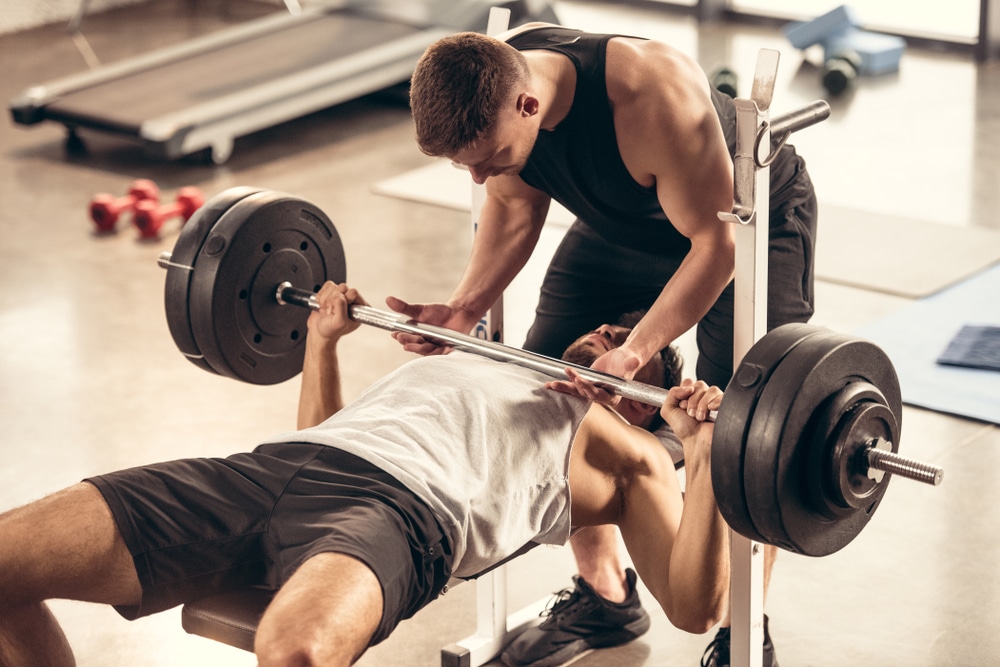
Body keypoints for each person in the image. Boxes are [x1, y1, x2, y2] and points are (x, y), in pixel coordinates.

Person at [0, 282, 729, 667]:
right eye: (607, 329)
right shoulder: (479, 357)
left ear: (646, 406)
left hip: (404, 513)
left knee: (295, 652)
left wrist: (704, 452)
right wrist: (323, 341)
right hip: (272, 469)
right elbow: (324, 432)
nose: (608, 340)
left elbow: (696, 608)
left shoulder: (627, 452)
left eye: (636, 352)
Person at [389, 22, 814, 667]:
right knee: (544, 388)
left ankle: (741, 628)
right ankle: (605, 596)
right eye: (463, 166)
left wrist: (635, 351)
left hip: (745, 225)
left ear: (527, 106)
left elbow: (715, 246)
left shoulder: (652, 95)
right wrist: (465, 307)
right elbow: (511, 210)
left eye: (485, 158)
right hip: (624, 222)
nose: (476, 179)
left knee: (745, 424)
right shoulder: (506, 81)